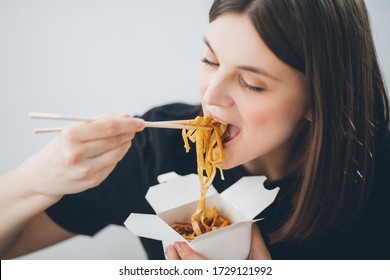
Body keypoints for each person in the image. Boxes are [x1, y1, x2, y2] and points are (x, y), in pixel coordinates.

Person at [1, 0, 389, 260]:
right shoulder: (156, 151)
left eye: (251, 84)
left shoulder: (377, 174)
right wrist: (34, 180)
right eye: (210, 59)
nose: (211, 97)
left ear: (318, 99)